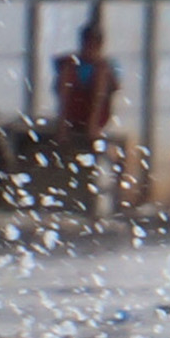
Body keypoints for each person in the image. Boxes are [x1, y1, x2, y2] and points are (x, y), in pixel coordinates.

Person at [55, 21, 121, 217]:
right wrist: (63, 123)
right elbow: (62, 91)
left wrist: (94, 125)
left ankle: (108, 199)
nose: (90, 49)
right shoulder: (71, 64)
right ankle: (65, 126)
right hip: (72, 115)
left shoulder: (104, 67)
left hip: (95, 118)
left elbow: (108, 93)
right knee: (68, 70)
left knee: (102, 75)